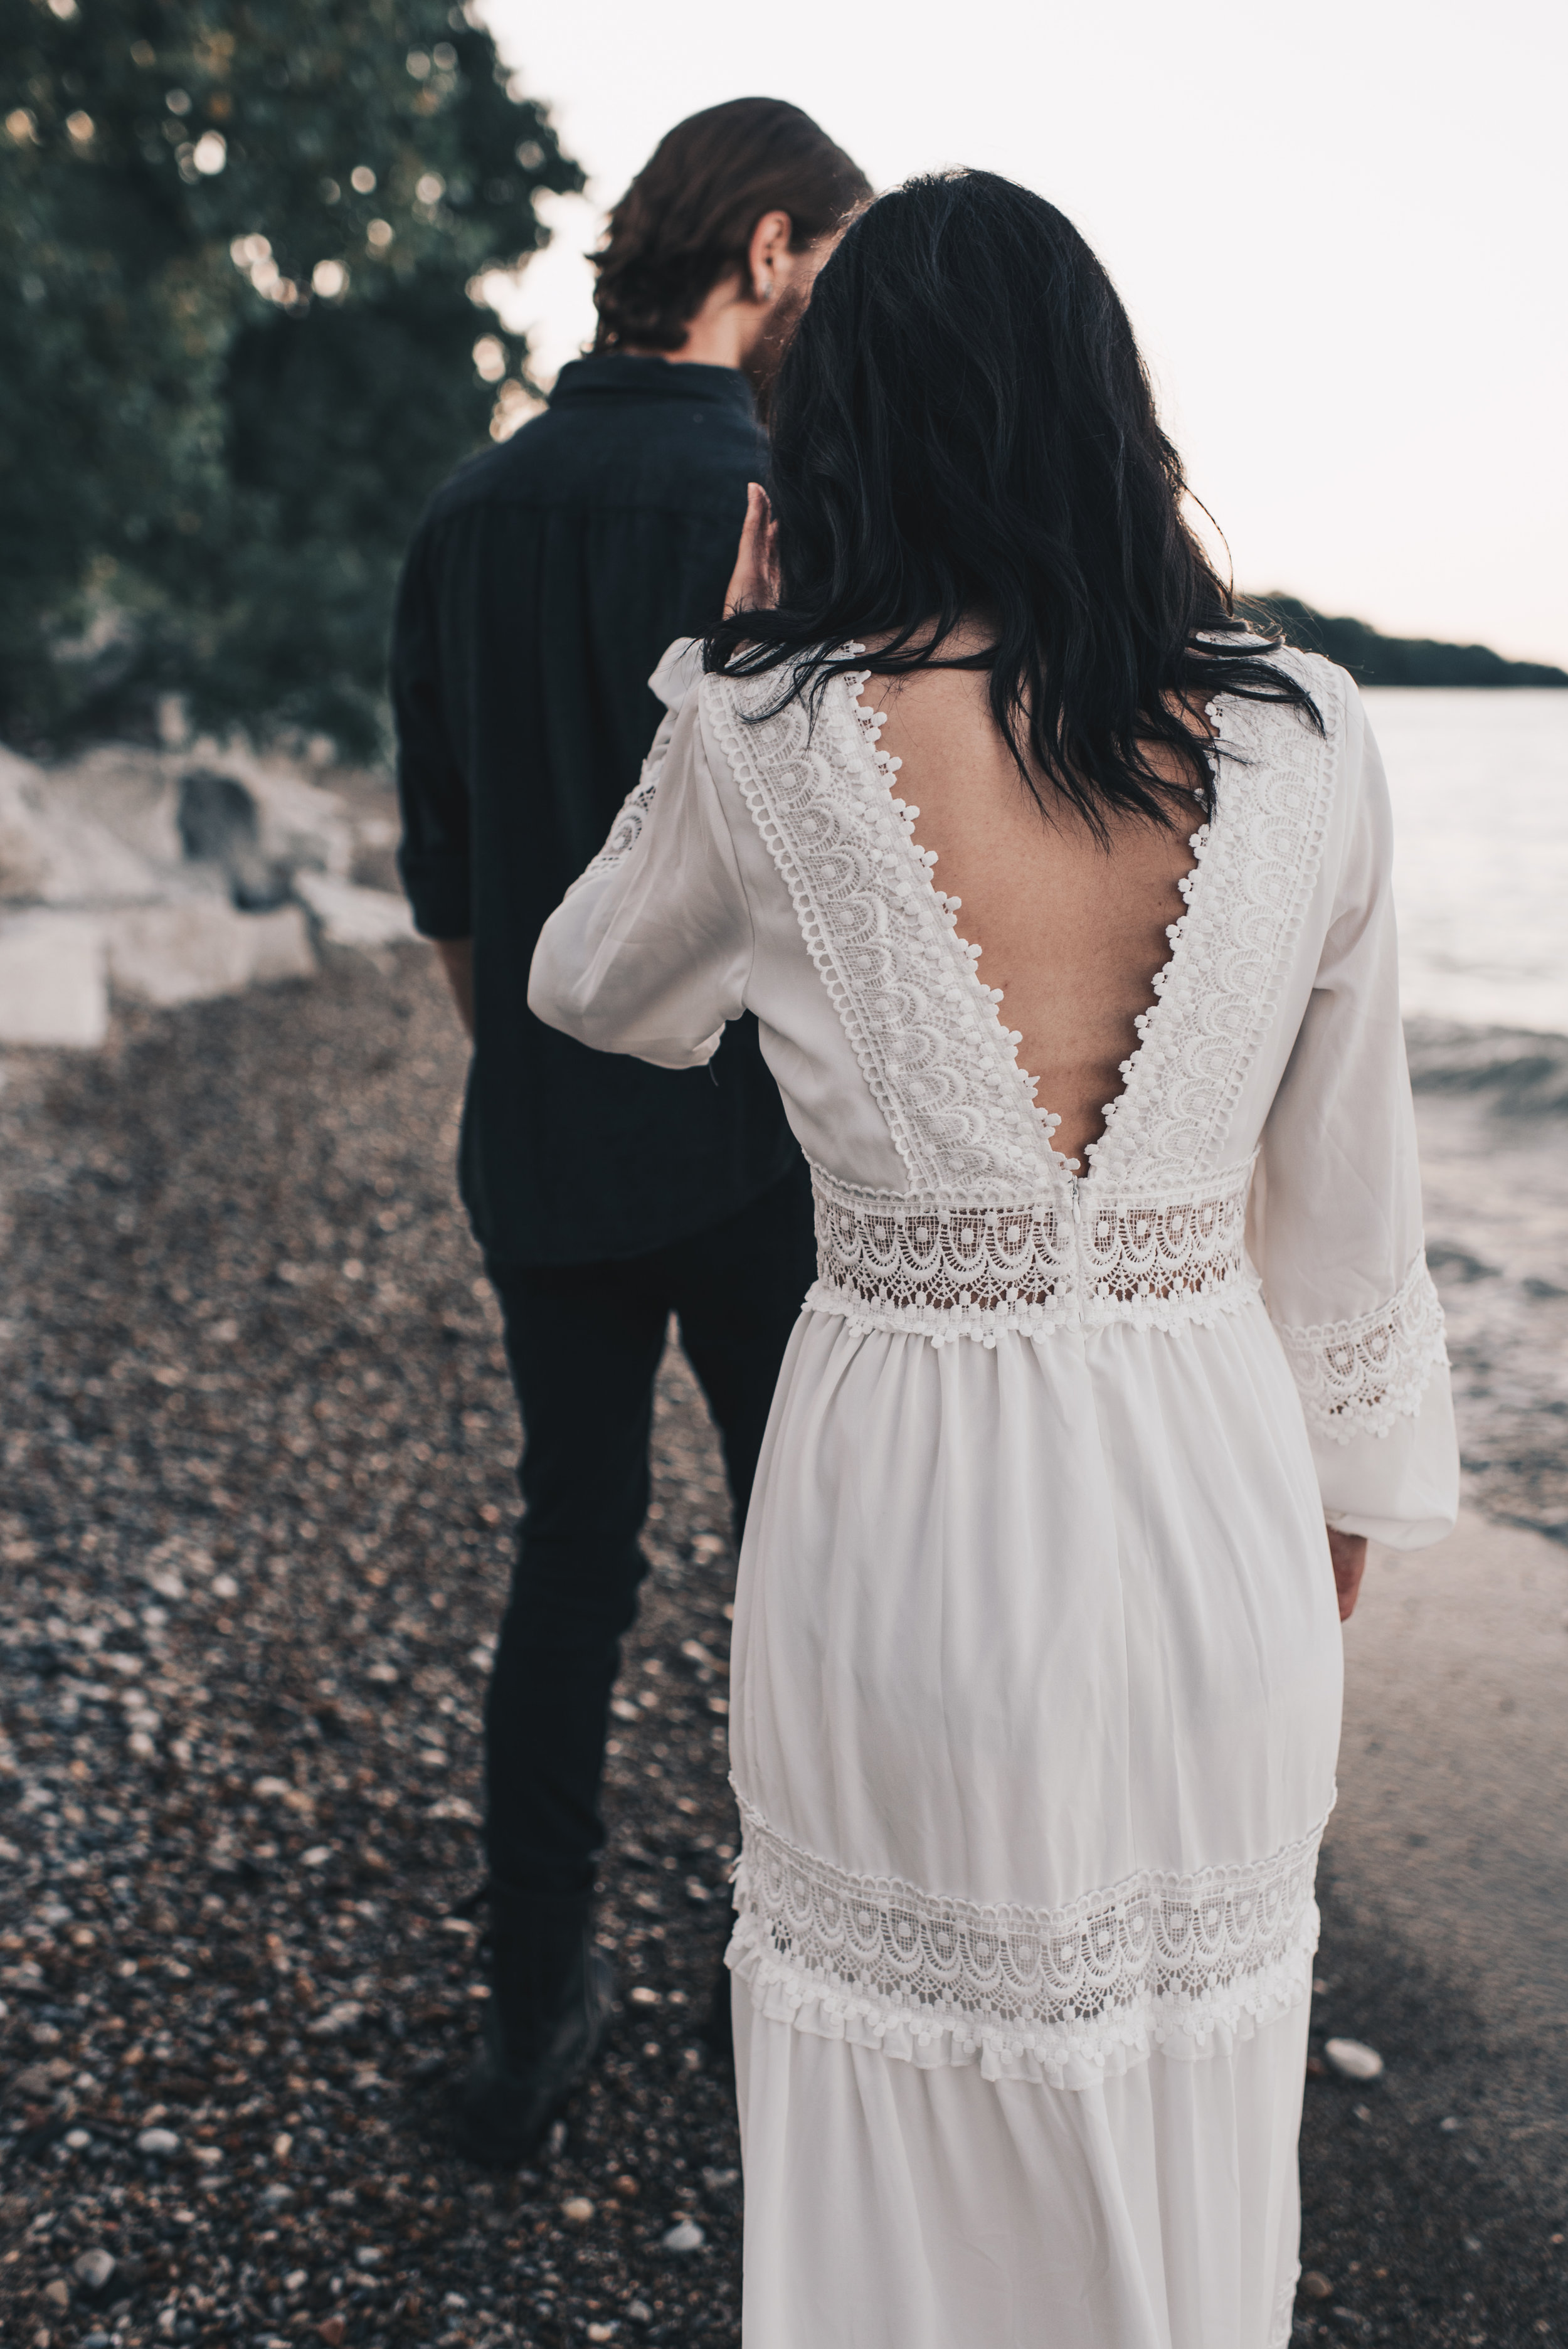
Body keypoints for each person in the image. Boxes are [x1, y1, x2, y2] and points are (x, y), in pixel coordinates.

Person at [528, 172, 1460, 2346]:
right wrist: (1337, 1508)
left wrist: (724, 660)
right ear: (1102, 410)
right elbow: (1354, 1199)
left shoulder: (766, 734)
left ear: (833, 429)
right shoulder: (1308, 733)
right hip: (1213, 1511)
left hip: (897, 1533)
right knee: (1182, 2091)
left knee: (902, 2110)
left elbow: (592, 985)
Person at [390, 98, 871, 2166]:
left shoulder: (464, 516)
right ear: (764, 253)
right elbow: (852, 875)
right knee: (808, 1576)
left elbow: (453, 904)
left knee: (568, 1561)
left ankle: (528, 2024)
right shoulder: (792, 495)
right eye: (829, 275)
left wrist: (535, 1068)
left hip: (545, 1144)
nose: (829, 323)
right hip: (766, 1156)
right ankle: (773, 2014)